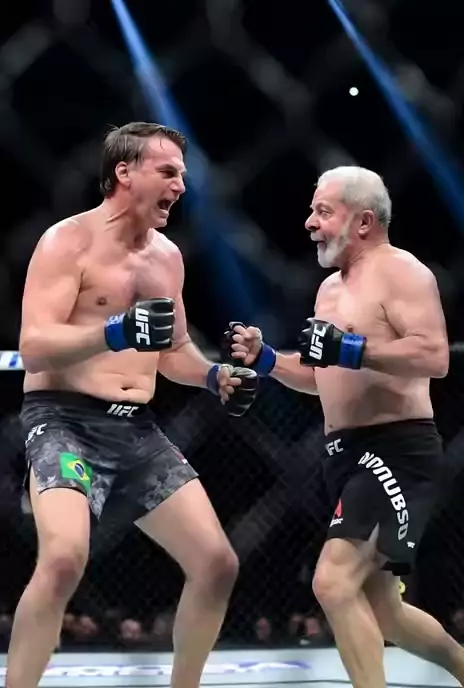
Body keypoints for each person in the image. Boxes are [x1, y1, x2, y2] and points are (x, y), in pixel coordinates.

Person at [8, 122, 259, 688]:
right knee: (64, 558)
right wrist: (115, 332)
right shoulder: (66, 241)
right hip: (63, 421)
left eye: (182, 176)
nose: (180, 186)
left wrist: (215, 375)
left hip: (136, 430)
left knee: (217, 563)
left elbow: (173, 351)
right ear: (124, 172)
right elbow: (35, 345)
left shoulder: (167, 257)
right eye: (168, 172)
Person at [224, 166, 464, 687]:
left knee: (332, 582)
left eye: (323, 212)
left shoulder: (403, 272)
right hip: (344, 452)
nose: (310, 223)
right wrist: (267, 359)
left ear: (364, 221)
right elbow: (323, 377)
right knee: (385, 610)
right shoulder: (329, 291)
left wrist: (351, 349)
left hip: (396, 448)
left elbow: (433, 356)